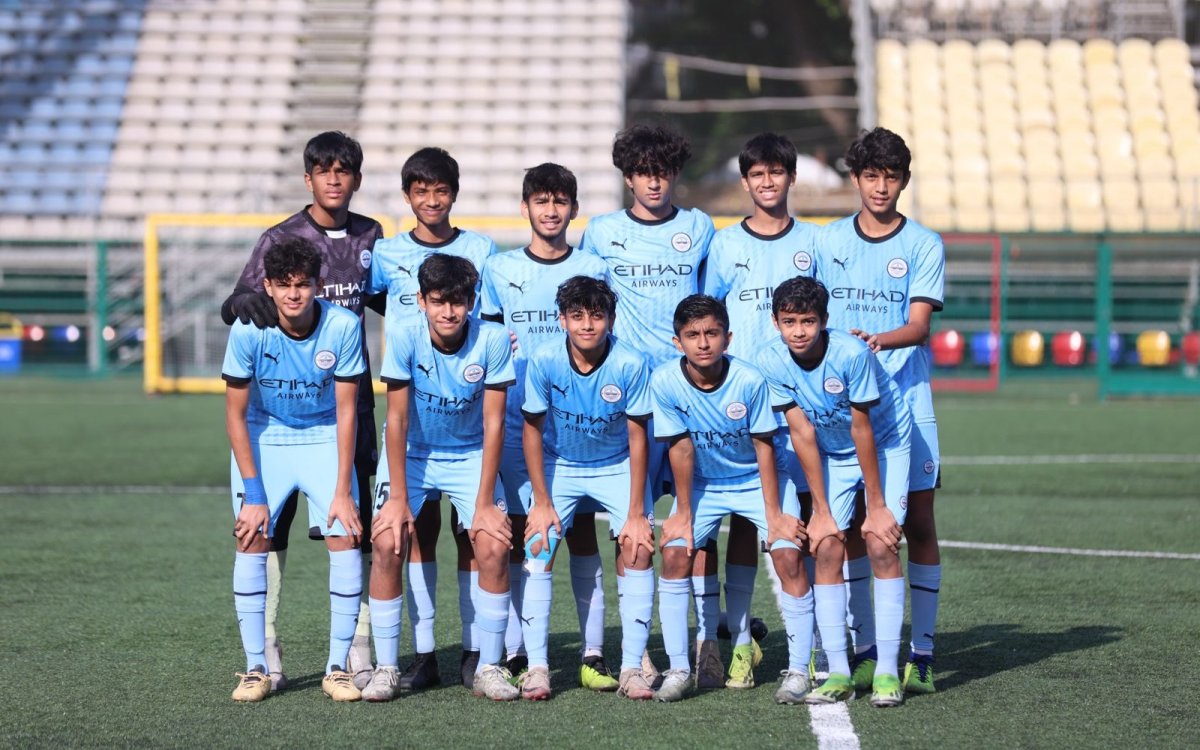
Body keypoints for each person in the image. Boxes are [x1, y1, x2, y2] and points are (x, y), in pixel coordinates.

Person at [580, 124, 742, 688]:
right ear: (628, 176)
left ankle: (705, 640)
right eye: (643, 172)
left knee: (696, 522)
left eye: (663, 171)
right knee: (634, 527)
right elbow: (587, 307)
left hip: (689, 394)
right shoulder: (601, 232)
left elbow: (709, 309)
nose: (654, 181)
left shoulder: (698, 227)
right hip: (628, 401)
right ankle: (639, 648)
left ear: (675, 173)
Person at [220, 131, 382, 690]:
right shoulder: (280, 237)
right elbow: (239, 301)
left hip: (346, 404)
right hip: (277, 414)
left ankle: (357, 647)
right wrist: (244, 303)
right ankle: (264, 650)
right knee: (269, 528)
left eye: (344, 170)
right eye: (323, 170)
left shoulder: (371, 234)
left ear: (356, 179)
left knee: (352, 527)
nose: (334, 179)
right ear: (308, 178)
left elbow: (394, 301)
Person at [477, 164, 619, 689]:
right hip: (522, 424)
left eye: (561, 201)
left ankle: (594, 652)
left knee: (582, 535)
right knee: (524, 537)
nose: (551, 210)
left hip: (582, 429)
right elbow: (486, 338)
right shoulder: (499, 268)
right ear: (525, 208)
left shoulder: (594, 266)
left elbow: (605, 337)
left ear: (574, 209)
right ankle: (518, 651)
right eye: (541, 201)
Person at [814, 127, 945, 694]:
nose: (881, 187)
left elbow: (919, 326)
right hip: (842, 406)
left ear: (904, 181)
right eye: (871, 175)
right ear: (856, 178)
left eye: (891, 177)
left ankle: (924, 653)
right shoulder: (827, 241)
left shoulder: (923, 243)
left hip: (907, 401)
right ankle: (867, 649)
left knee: (917, 523)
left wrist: (875, 342)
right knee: (847, 530)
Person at [367, 147, 499, 691]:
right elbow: (363, 301)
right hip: (415, 430)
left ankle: (479, 654)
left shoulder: (482, 251)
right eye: (420, 190)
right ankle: (413, 658)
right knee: (403, 535)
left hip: (467, 425)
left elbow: (494, 319)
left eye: (440, 189)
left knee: (479, 538)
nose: (431, 199)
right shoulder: (386, 255)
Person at [361, 253, 519, 702]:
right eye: (438, 301)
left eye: (457, 301)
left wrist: (484, 504)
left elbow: (494, 423)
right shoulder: (404, 335)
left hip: (470, 454)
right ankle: (387, 668)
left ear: (472, 301)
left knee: (493, 544)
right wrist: (397, 499)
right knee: (388, 542)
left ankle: (490, 666)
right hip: (414, 453)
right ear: (421, 301)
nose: (448, 311)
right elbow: (396, 420)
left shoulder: (491, 339)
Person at [700, 132, 821, 688]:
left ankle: (815, 645)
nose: (767, 182)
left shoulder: (815, 242)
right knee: (740, 528)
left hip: (801, 405)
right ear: (745, 181)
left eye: (776, 172)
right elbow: (708, 319)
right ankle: (740, 642)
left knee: (803, 526)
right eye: (757, 173)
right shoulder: (725, 245)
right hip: (736, 409)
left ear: (791, 177)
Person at [757, 276, 913, 707]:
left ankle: (887, 671)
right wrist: (822, 510)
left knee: (879, 542)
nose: (799, 331)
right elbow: (802, 432)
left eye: (808, 321)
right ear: (775, 322)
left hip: (885, 444)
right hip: (829, 451)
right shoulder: (770, 360)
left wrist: (876, 505)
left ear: (825, 320)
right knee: (825, 545)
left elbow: (864, 429)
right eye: (790, 322)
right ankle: (840, 672)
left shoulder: (851, 354)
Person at [648, 295, 809, 702]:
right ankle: (679, 669)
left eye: (712, 333)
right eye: (692, 335)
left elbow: (765, 447)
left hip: (757, 479)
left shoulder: (749, 380)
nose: (703, 343)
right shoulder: (664, 381)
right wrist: (683, 513)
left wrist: (774, 515)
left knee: (788, 553)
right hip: (705, 484)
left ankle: (799, 670)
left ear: (728, 337)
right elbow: (681, 449)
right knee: (675, 552)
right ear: (677, 342)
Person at [518, 275, 657, 701]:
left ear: (611, 320)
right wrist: (542, 502)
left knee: (638, 546)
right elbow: (531, 430)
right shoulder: (544, 359)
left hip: (616, 465)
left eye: (597, 316)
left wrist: (636, 512)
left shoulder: (631, 363)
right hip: (560, 464)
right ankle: (537, 668)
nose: (587, 325)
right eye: (577, 316)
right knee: (539, 544)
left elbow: (638, 437)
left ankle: (632, 667)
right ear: (562, 320)